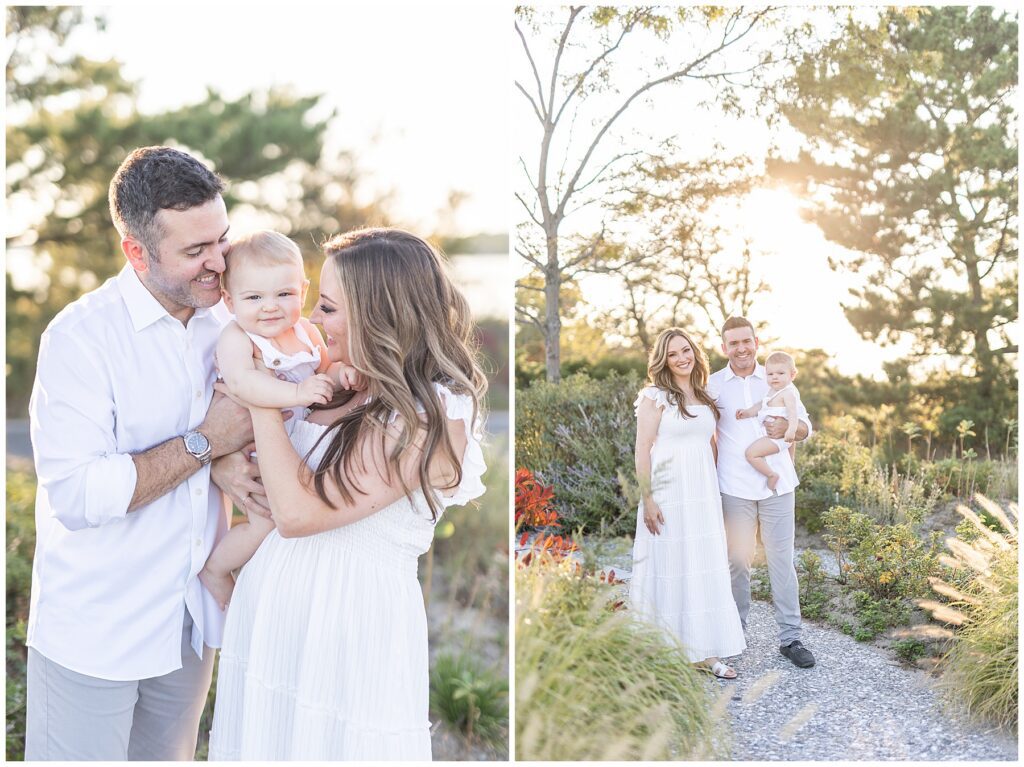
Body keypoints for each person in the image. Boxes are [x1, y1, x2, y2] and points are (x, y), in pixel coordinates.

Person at [207, 228, 488, 760]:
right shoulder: (337, 381)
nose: (312, 318)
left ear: (378, 313)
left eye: (329, 307)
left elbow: (298, 514)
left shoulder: (428, 415)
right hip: (272, 617)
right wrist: (224, 462)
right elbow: (275, 462)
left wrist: (261, 398)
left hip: (347, 630)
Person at [25, 146, 264, 760]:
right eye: (196, 251)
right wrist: (205, 443)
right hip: (96, 632)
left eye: (222, 239)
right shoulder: (80, 338)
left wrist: (231, 459)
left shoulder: (232, 321)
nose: (219, 263)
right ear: (137, 253)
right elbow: (79, 495)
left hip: (188, 624)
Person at [198, 230, 362, 610]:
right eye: (254, 297)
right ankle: (217, 570)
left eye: (283, 294)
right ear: (229, 300)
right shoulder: (239, 337)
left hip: (293, 445)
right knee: (266, 521)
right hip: (255, 451)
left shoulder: (305, 332)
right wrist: (297, 394)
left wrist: (343, 375)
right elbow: (243, 382)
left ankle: (275, 590)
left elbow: (324, 370)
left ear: (302, 292)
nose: (270, 307)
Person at [630, 327, 746, 679]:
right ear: (663, 361)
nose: (681, 358)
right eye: (673, 354)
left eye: (686, 350)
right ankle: (661, 649)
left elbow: (712, 444)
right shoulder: (655, 397)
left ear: (695, 352)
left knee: (702, 563)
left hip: (702, 493)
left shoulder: (706, 394)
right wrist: (648, 498)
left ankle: (704, 652)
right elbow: (642, 449)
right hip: (667, 492)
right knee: (669, 562)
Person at [707, 316, 816, 669]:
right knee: (737, 562)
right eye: (733, 343)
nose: (741, 348)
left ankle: (791, 638)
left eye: (746, 341)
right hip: (733, 486)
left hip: (778, 485)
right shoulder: (712, 385)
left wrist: (790, 427)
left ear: (756, 342)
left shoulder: (775, 376)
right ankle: (734, 633)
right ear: (724, 347)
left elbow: (806, 426)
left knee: (781, 561)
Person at [735, 351, 802, 490]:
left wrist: (791, 430)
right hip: (772, 436)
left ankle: (771, 475)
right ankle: (782, 469)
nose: (774, 377)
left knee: (751, 454)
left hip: (779, 438)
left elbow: (793, 414)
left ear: (792, 375)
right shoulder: (772, 391)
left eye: (780, 373)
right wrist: (747, 412)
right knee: (757, 453)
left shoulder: (788, 393)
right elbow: (761, 405)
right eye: (770, 374)